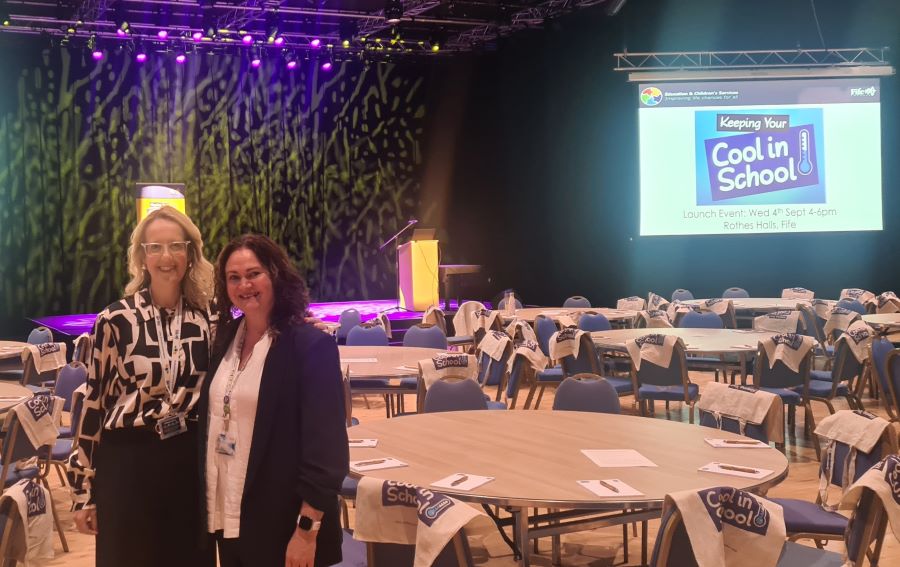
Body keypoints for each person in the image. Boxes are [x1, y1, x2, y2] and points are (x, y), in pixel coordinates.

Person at [68, 206, 216, 567]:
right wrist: (82, 492)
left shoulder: (209, 317)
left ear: (191, 254)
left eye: (176, 246)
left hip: (187, 462)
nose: (167, 257)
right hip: (129, 461)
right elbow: (93, 403)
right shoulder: (115, 319)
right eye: (155, 248)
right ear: (142, 257)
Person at [201, 234, 349, 567]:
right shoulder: (224, 339)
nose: (244, 285)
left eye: (253, 274)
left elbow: (327, 453)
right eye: (234, 277)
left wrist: (306, 532)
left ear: (275, 275)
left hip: (286, 528)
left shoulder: (309, 345)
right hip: (231, 516)